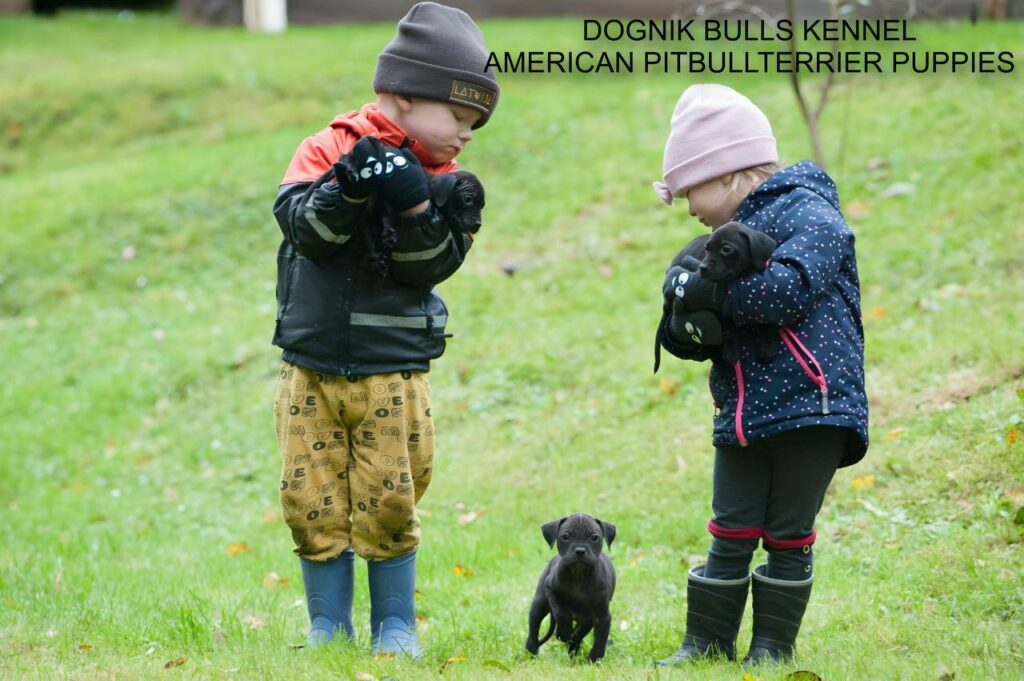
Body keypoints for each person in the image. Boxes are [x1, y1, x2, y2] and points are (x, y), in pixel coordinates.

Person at [270, 2, 499, 659]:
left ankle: (395, 624)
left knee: (391, 494)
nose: (468, 133)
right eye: (459, 115)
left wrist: (416, 200)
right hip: (310, 361)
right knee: (308, 494)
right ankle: (328, 625)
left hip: (393, 369)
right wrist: (348, 187)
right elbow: (308, 234)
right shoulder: (324, 149)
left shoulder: (452, 186)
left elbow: (428, 265)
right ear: (402, 94)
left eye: (476, 123)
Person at [651, 84, 869, 666]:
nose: (687, 206)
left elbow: (788, 292)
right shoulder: (720, 244)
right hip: (745, 410)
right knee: (731, 526)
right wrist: (683, 319)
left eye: (689, 188)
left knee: (788, 531)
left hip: (811, 407)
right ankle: (705, 644)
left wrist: (711, 292)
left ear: (726, 172)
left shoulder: (809, 212)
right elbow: (703, 326)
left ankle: (772, 648)